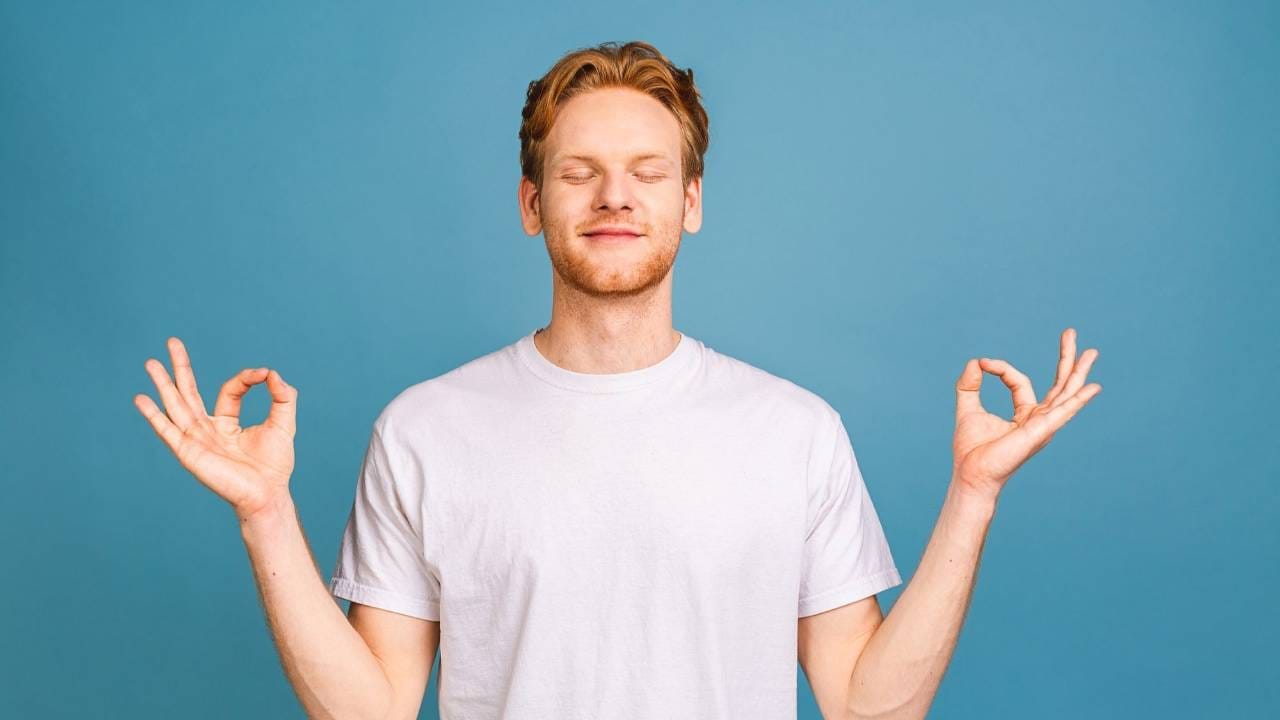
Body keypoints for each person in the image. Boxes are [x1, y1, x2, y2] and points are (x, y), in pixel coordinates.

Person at [134, 40, 1102, 720]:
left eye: (647, 171)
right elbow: (372, 709)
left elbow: (864, 705)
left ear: (690, 202)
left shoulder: (794, 431)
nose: (614, 197)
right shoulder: (423, 430)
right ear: (530, 203)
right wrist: (265, 514)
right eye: (578, 172)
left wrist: (972, 496)